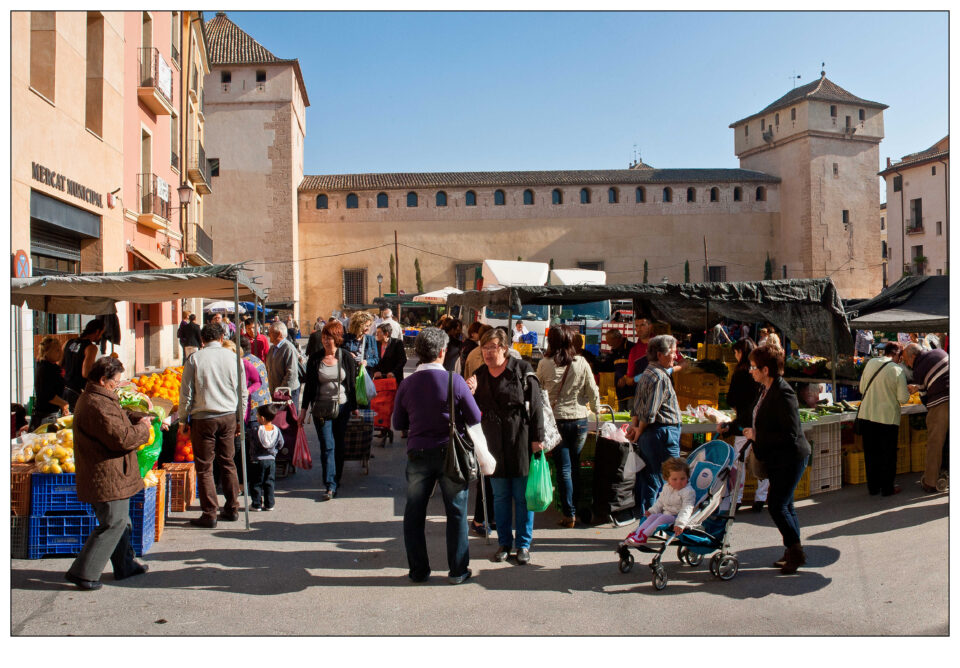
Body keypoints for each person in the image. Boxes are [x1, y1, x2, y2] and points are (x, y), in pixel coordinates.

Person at [393, 328, 482, 584]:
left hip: (419, 453)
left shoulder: (408, 384)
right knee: (456, 513)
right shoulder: (456, 382)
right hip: (450, 453)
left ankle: (419, 570)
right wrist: (468, 396)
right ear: (443, 352)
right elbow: (475, 417)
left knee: (414, 514)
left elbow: (398, 422)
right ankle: (457, 570)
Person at [66, 357, 152, 590]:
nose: (119, 384)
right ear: (103, 380)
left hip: (110, 472)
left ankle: (125, 565)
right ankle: (84, 572)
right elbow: (121, 438)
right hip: (106, 473)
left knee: (122, 522)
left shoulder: (98, 398)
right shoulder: (97, 403)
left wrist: (134, 417)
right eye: (116, 381)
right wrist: (143, 428)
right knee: (113, 522)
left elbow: (115, 424)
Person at [466, 328, 544, 565]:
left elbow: (537, 406)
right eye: (484, 348)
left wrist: (537, 439)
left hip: (520, 438)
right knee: (499, 496)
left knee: (521, 497)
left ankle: (523, 544)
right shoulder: (479, 374)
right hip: (492, 442)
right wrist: (468, 391)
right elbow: (468, 408)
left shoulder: (522, 370)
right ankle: (504, 543)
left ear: (504, 348)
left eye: (492, 348)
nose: (488, 353)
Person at [742, 344, 811, 574]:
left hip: (790, 457)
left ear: (766, 370)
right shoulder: (765, 389)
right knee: (785, 504)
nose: (750, 370)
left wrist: (757, 435)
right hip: (778, 457)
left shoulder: (784, 393)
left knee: (777, 505)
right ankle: (792, 550)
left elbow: (790, 433)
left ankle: (796, 551)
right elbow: (755, 416)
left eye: (753, 367)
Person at [179, 324, 246, 529]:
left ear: (202, 340)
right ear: (222, 336)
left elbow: (186, 393)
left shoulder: (195, 359)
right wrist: (239, 418)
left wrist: (183, 419)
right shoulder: (233, 358)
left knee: (205, 466)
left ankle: (210, 513)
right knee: (228, 462)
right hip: (227, 416)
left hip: (203, 417)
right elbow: (242, 391)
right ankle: (232, 507)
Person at [536, 325, 599, 528]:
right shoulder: (581, 362)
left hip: (556, 422)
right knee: (575, 464)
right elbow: (593, 391)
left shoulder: (544, 364)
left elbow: (537, 392)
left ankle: (568, 512)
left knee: (564, 468)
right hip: (580, 420)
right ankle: (578, 508)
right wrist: (597, 409)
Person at [300, 319, 358, 500]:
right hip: (321, 408)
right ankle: (330, 485)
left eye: (330, 338)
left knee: (339, 444)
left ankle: (336, 479)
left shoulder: (346, 357)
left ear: (338, 338)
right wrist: (303, 410)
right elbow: (309, 386)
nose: (326, 341)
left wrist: (354, 407)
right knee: (327, 445)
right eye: (324, 337)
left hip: (342, 406)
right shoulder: (315, 359)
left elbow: (352, 385)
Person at [626, 335, 683, 514]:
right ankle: (663, 520)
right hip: (661, 432)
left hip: (651, 433)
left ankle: (648, 519)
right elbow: (649, 411)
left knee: (651, 478)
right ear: (660, 355)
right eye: (673, 353)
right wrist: (638, 429)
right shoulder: (659, 376)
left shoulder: (648, 373)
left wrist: (635, 428)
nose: (675, 357)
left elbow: (637, 406)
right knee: (673, 478)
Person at [718, 337, 767, 511]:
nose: (736, 356)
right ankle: (761, 498)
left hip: (744, 423)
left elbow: (732, 398)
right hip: (760, 423)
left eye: (736, 353)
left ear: (741, 352)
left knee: (739, 460)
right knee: (761, 458)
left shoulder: (740, 373)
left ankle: (736, 499)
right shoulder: (762, 374)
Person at [857, 341, 910, 497]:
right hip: (887, 418)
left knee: (871, 454)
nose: (901, 359)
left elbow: (861, 388)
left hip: (867, 416)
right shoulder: (897, 370)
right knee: (887, 454)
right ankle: (887, 488)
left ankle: (873, 488)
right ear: (897, 354)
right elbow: (903, 398)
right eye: (901, 356)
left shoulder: (871, 362)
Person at [901, 343, 949, 493]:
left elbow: (925, 397)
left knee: (935, 443)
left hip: (941, 403)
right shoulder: (940, 352)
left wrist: (918, 388)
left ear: (913, 356)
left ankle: (930, 481)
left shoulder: (919, 369)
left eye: (906, 361)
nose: (907, 364)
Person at [622, 457, 695, 546]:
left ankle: (644, 536)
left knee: (662, 518)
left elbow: (687, 509)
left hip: (677, 517)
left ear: (687, 477)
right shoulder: (667, 487)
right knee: (653, 516)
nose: (679, 482)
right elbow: (660, 502)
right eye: (674, 479)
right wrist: (652, 511)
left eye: (682, 478)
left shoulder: (688, 491)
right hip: (667, 514)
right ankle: (637, 534)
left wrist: (680, 523)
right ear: (667, 479)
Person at [30, 336, 70, 430]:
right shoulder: (46, 369)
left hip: (49, 413)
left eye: (60, 349)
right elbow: (47, 395)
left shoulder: (49, 366)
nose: (60, 352)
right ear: (46, 352)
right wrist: (63, 404)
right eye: (56, 350)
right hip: (46, 416)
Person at [62, 320, 104, 410]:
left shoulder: (68, 342)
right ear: (97, 331)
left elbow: (59, 364)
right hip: (77, 391)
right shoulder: (91, 348)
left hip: (63, 388)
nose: (101, 336)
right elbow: (86, 373)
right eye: (101, 333)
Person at [250, 403, 282, 511]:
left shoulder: (255, 430)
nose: (256, 418)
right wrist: (275, 451)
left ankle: (256, 504)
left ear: (262, 418)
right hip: (271, 460)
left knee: (256, 483)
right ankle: (269, 504)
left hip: (257, 460)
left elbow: (250, 440)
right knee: (269, 482)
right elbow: (281, 443)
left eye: (257, 416)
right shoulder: (276, 430)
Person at [265, 320, 301, 407]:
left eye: (271, 332)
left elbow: (291, 374)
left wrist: (280, 391)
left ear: (279, 334)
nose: (268, 335)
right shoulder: (273, 348)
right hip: (276, 392)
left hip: (288, 392)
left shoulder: (288, 348)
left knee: (288, 418)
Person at [600, 329, 635, 407]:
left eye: (611, 343)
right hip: (620, 393)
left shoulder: (631, 348)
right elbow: (608, 366)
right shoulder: (614, 351)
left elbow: (638, 367)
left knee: (630, 416)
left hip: (632, 393)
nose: (609, 345)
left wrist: (626, 377)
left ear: (618, 339)